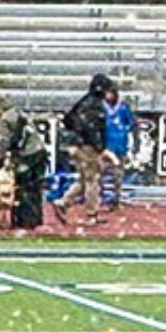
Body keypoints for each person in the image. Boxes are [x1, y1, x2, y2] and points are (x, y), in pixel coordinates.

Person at [60, 73, 114, 225]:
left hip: (79, 144)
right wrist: (98, 146)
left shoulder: (83, 101)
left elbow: (68, 119)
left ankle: (64, 202)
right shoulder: (95, 105)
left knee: (85, 179)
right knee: (93, 180)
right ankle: (91, 214)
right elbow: (92, 128)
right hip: (87, 146)